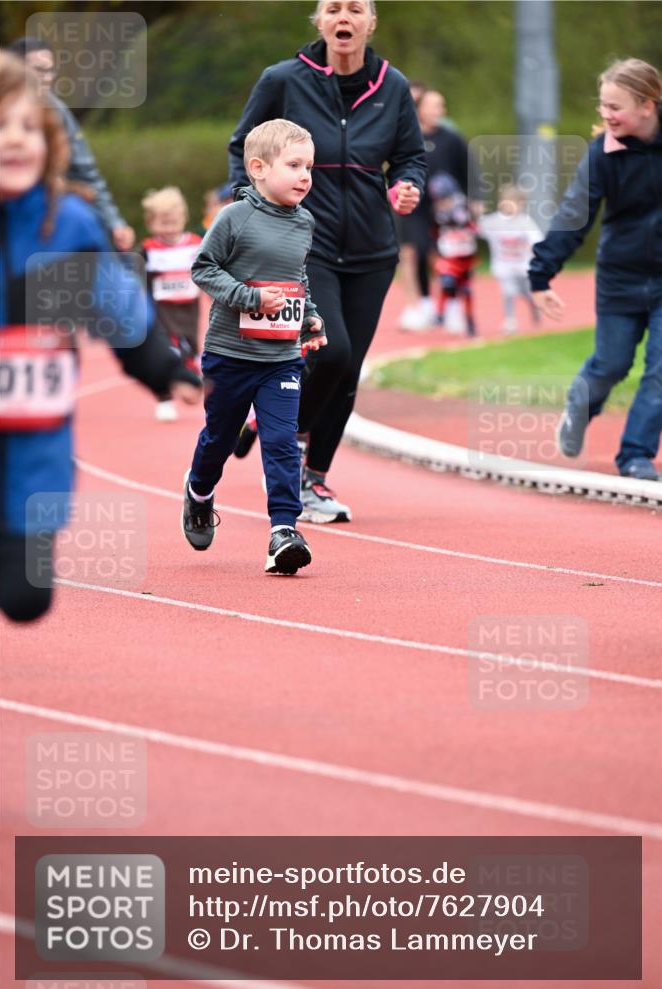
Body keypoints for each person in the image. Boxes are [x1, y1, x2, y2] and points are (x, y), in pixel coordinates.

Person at [0, 50, 201, 622]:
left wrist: (164, 368)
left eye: (28, 127)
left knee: (25, 599)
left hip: (34, 449)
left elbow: (118, 308)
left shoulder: (70, 224)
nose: (15, 139)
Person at [228, 0, 425, 523]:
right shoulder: (283, 80)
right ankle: (284, 440)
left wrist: (407, 185)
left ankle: (311, 477)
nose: (344, 17)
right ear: (319, 20)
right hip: (302, 244)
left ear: (370, 22)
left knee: (349, 370)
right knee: (331, 353)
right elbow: (242, 149)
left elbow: (410, 155)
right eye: (333, 7)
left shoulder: (392, 85)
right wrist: (251, 208)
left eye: (355, 8)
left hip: (372, 250)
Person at [182, 119, 326, 575]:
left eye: (309, 167)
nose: (305, 176)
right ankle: (199, 491)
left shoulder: (304, 221)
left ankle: (284, 531)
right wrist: (249, 298)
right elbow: (203, 268)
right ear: (258, 169)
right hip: (230, 355)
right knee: (221, 438)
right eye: (294, 165)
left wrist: (309, 317)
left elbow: (297, 280)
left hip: (281, 358)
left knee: (282, 442)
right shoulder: (234, 217)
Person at [529, 58, 662, 481]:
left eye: (615, 107)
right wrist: (540, 274)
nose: (606, 114)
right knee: (611, 364)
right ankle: (581, 404)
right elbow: (574, 214)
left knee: (661, 370)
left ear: (647, 105)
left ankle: (636, 454)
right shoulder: (603, 153)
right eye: (603, 105)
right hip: (621, 277)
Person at [8, 37, 135, 250]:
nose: (47, 78)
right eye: (39, 70)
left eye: (50, 71)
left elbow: (86, 172)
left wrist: (115, 222)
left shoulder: (57, 111)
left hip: (43, 223)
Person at [398, 88, 481, 331]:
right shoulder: (407, 136)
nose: (438, 111)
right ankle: (422, 305)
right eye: (433, 105)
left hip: (447, 212)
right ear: (420, 108)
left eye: (441, 106)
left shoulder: (452, 138)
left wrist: (475, 200)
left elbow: (470, 170)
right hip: (415, 205)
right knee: (416, 251)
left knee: (448, 257)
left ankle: (452, 306)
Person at [140, 186, 203, 422]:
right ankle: (164, 398)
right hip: (160, 314)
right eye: (163, 223)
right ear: (151, 223)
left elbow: (209, 272)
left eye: (173, 222)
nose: (169, 228)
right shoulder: (148, 250)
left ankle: (189, 372)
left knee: (189, 350)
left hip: (188, 312)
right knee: (163, 353)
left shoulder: (195, 245)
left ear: (183, 218)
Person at [478, 183, 543, 334]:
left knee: (526, 292)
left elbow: (537, 241)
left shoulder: (525, 222)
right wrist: (477, 213)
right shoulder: (493, 221)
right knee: (508, 292)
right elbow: (476, 228)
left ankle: (534, 307)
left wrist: (536, 253)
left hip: (522, 266)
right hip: (503, 266)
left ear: (521, 205)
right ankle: (510, 321)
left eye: (515, 203)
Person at [430, 172, 478, 337]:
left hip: (465, 257)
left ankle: (470, 320)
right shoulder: (438, 212)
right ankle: (440, 314)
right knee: (447, 284)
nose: (443, 203)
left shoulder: (463, 208)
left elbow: (473, 226)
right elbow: (436, 232)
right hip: (449, 257)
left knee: (466, 290)